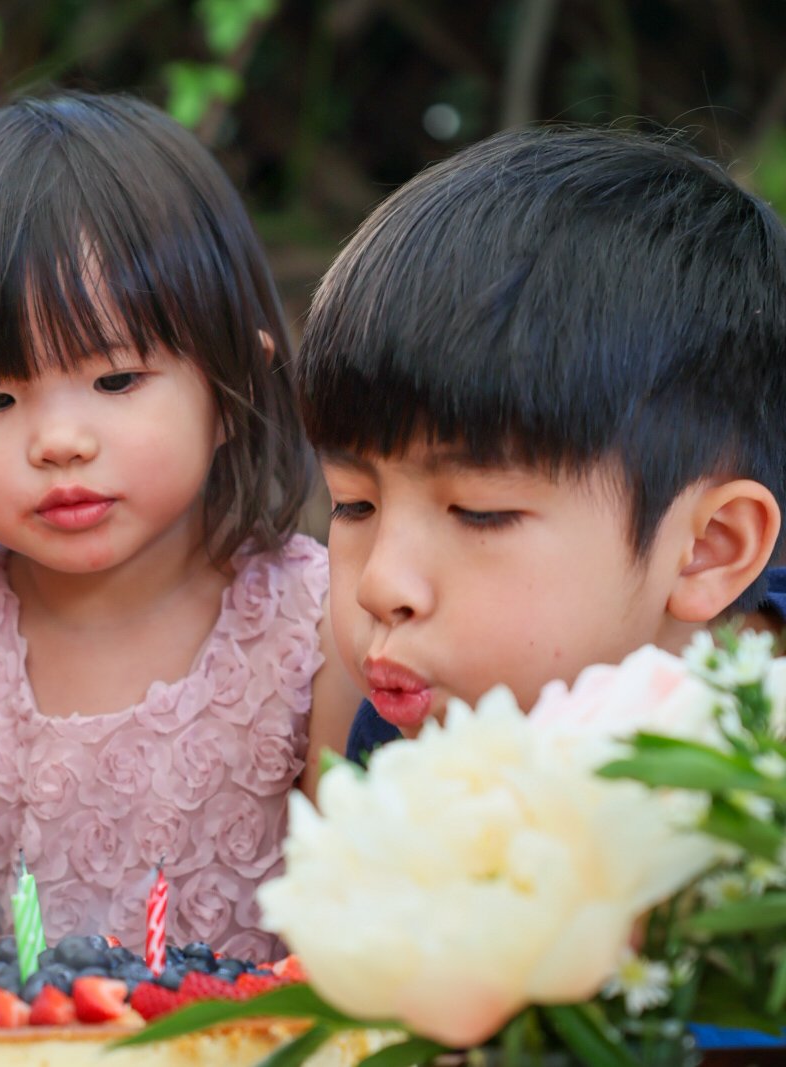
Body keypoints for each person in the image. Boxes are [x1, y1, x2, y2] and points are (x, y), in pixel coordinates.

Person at [298, 124, 786, 1055]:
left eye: (478, 513)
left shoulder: (761, 808)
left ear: (708, 549)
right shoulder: (398, 750)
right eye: (353, 503)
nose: (383, 585)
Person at [0, 93, 362, 963]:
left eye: (117, 380)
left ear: (235, 385)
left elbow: (351, 948)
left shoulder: (317, 632)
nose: (58, 441)